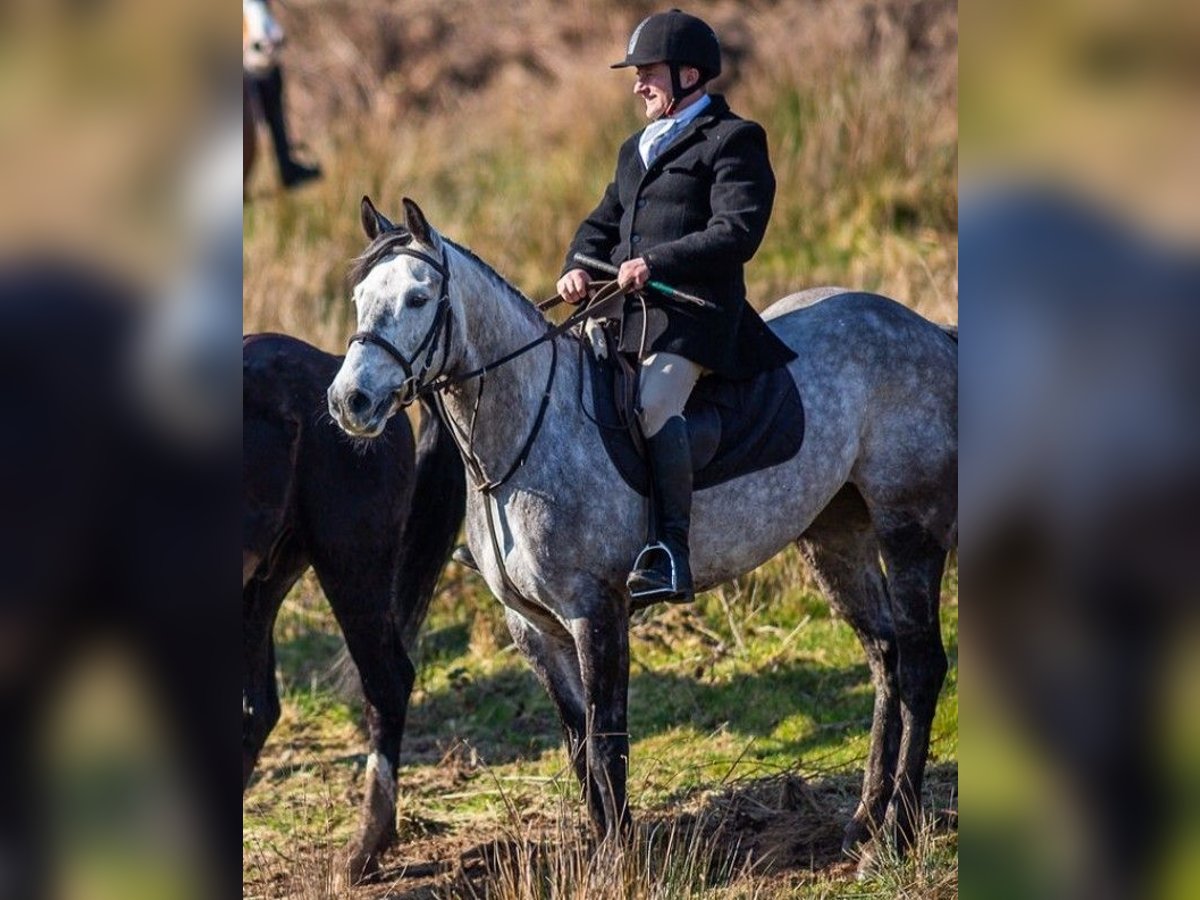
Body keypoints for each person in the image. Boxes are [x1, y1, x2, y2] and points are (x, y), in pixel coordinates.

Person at [558, 9, 796, 605]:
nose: (638, 83)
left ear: (690, 75)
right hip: (622, 314)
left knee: (652, 401)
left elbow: (736, 231)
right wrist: (578, 265)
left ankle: (670, 553)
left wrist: (656, 263)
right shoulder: (633, 149)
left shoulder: (734, 139)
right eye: (636, 73)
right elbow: (600, 223)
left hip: (694, 316)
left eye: (648, 72)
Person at [243, 0, 321, 190]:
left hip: (258, 65)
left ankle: (286, 165)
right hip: (248, 66)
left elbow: (267, 34)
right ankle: (286, 167)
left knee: (273, 93)